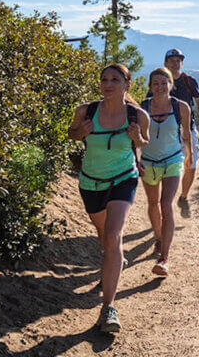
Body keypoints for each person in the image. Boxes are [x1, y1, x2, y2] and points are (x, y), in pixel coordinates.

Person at [67, 64, 149, 334]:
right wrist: (82, 132)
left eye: (115, 79)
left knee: (113, 235)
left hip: (124, 177)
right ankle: (112, 260)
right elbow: (72, 134)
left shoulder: (137, 115)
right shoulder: (86, 111)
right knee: (104, 235)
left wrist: (137, 138)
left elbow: (143, 141)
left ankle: (108, 308)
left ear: (127, 84)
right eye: (104, 79)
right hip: (91, 182)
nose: (108, 84)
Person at [138, 67, 191, 276]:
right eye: (155, 83)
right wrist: (135, 159)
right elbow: (133, 137)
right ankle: (158, 239)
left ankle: (164, 258)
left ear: (171, 84)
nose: (160, 87)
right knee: (153, 204)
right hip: (148, 162)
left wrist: (189, 157)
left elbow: (186, 133)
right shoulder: (142, 108)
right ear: (150, 86)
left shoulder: (181, 107)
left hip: (172, 160)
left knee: (165, 204)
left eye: (164, 83)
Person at [163, 49, 199, 204]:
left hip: (187, 129)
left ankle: (183, 197)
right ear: (166, 63)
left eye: (178, 60)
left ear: (181, 63)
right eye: (172, 60)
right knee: (168, 167)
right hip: (166, 131)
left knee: (191, 164)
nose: (176, 63)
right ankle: (167, 199)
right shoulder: (161, 81)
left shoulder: (189, 81)